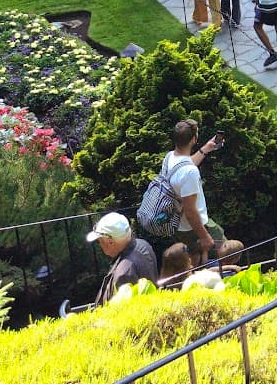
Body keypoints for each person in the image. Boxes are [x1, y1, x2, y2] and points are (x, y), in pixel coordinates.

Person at [162, 119, 225, 263]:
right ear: (194, 139)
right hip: (195, 226)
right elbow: (190, 211)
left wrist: (205, 149)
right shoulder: (190, 172)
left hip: (179, 225)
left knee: (194, 260)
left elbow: (185, 165)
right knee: (229, 251)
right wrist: (204, 236)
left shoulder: (170, 157)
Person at [87, 212, 158, 306]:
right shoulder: (143, 244)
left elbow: (125, 312)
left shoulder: (124, 273)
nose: (99, 245)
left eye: (99, 241)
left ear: (111, 242)